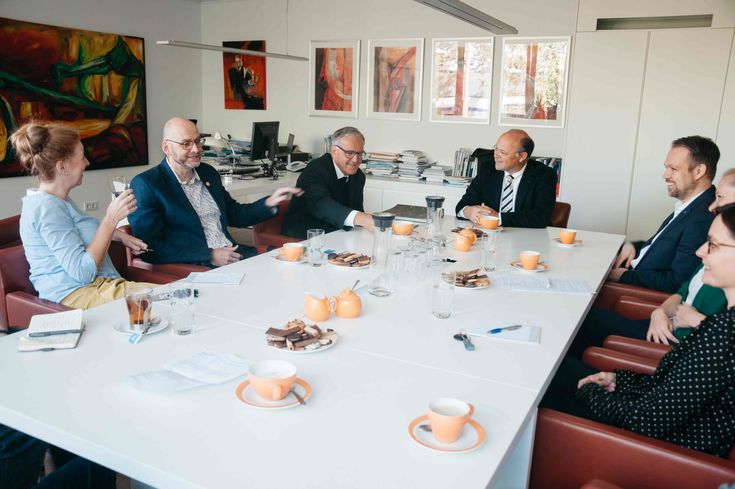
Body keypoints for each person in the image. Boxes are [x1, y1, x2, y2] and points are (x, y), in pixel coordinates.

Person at [541, 203, 735, 458]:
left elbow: (647, 421)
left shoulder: (724, 335)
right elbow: (671, 389)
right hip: (650, 412)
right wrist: (618, 379)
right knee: (550, 366)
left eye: (713, 244)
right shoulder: (723, 322)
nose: (700, 252)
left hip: (658, 451)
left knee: (539, 386)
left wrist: (590, 392)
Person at [569, 168, 735, 355]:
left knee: (578, 325)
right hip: (667, 322)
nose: (712, 206)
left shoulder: (709, 236)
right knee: (580, 321)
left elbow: (721, 349)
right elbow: (683, 288)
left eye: (720, 197)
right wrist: (659, 313)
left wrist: (698, 321)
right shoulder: (693, 215)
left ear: (698, 171)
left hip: (676, 344)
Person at [129, 117, 301, 267]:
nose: (196, 149)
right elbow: (149, 247)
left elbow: (234, 214)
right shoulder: (147, 185)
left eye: (198, 141)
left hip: (234, 256)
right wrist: (209, 255)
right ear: (166, 148)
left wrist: (269, 203)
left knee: (293, 270)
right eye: (186, 144)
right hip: (197, 265)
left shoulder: (207, 172)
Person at [11, 123, 148, 309]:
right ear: (62, 167)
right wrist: (111, 218)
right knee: (177, 300)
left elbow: (77, 231)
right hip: (79, 295)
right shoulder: (46, 208)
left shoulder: (58, 200)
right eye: (82, 157)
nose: (87, 162)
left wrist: (119, 235)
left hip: (99, 288)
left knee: (182, 297)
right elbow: (83, 272)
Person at [608, 135, 718, 293]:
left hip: (633, 292)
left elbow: (677, 283)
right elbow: (666, 248)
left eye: (673, 169)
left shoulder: (703, 216)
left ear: (699, 171)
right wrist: (634, 246)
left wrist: (624, 276)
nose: (665, 175)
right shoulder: (692, 205)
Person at [281, 126, 374, 239]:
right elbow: (321, 205)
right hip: (304, 233)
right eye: (349, 153)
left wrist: (370, 219)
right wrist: (359, 218)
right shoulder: (316, 169)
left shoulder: (358, 176)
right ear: (334, 151)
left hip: (338, 232)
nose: (356, 160)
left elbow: (356, 210)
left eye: (359, 154)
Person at [455, 129, 557, 228]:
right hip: (492, 236)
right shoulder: (488, 169)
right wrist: (468, 211)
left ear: (522, 156)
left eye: (502, 152)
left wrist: (498, 218)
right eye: (496, 149)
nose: (496, 155)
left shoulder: (545, 175)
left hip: (528, 238)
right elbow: (463, 204)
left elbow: (540, 217)